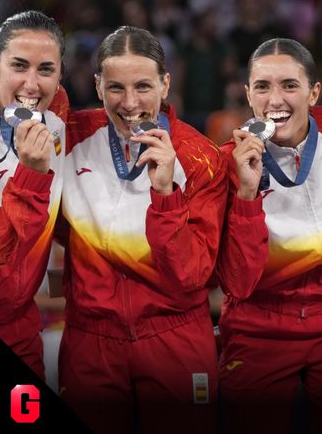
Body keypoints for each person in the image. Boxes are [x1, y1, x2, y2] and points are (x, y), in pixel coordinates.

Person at [58, 25, 228, 434]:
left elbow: (193, 275)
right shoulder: (70, 136)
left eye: (143, 86)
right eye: (115, 87)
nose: (130, 103)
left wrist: (166, 193)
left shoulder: (201, 157)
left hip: (175, 332)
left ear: (166, 84)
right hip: (90, 338)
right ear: (97, 85)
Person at [216, 38, 322, 434]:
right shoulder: (226, 161)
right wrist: (245, 194)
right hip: (259, 323)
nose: (276, 99)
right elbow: (238, 282)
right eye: (262, 86)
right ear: (247, 94)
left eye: (290, 85)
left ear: (314, 92)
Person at [0, 10, 66, 379]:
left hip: (23, 331)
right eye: (19, 66)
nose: (32, 85)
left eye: (46, 70)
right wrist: (32, 177)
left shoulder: (57, 117)